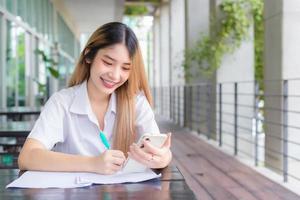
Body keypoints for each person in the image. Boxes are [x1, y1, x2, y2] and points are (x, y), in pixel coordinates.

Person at [18, 22, 172, 175]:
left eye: (125, 68)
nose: (115, 75)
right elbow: (27, 157)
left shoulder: (136, 103)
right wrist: (93, 163)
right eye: (108, 62)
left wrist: (163, 158)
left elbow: (160, 152)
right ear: (88, 55)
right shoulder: (62, 102)